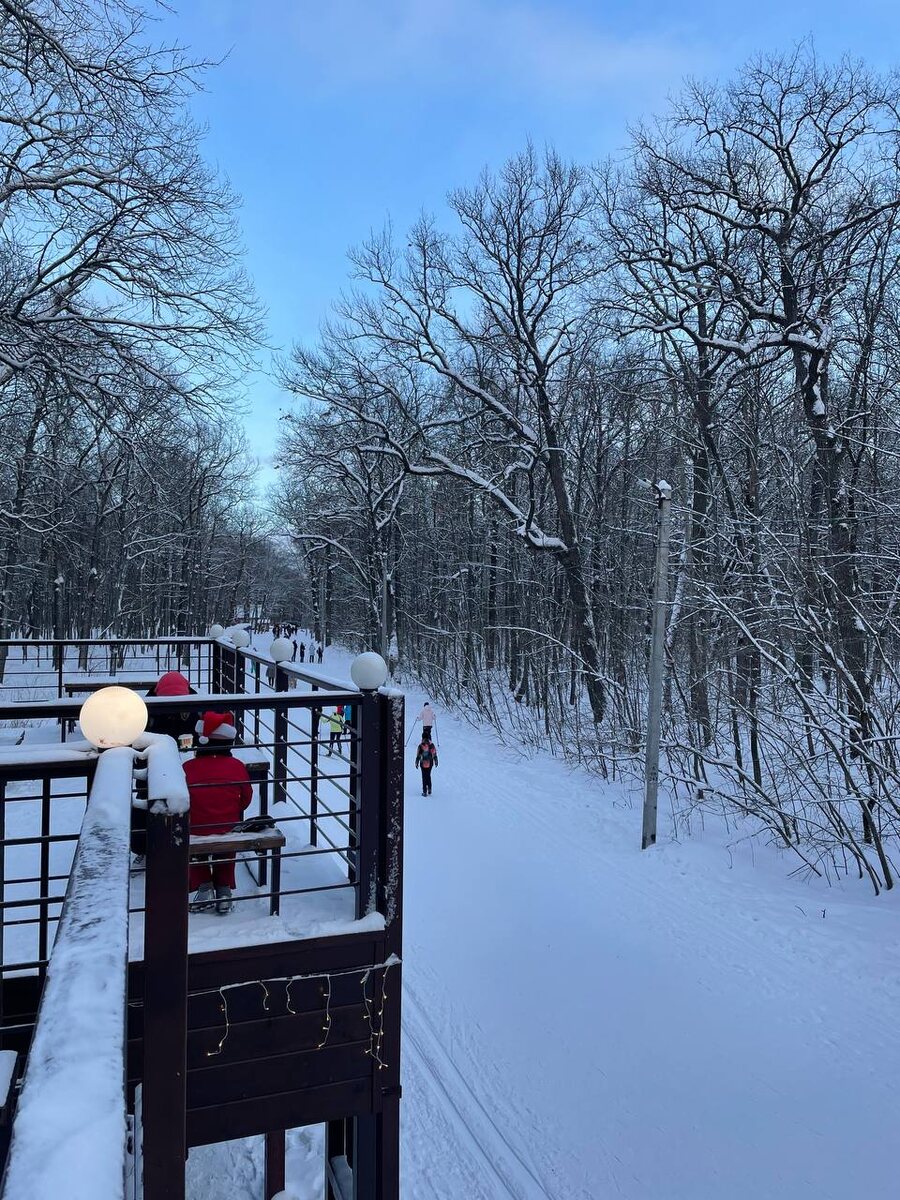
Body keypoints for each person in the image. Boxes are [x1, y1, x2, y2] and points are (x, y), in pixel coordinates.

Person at [184, 711, 252, 914]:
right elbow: (246, 798)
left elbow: (182, 799)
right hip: (226, 826)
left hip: (196, 828)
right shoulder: (237, 767)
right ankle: (224, 890)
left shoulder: (188, 767)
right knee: (226, 843)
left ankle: (204, 886)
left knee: (194, 844)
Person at [132, 671, 196, 864]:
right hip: (152, 765)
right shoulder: (145, 711)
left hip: (183, 763)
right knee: (146, 802)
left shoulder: (194, 706)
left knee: (183, 799)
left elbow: (198, 732)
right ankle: (143, 847)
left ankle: (178, 842)